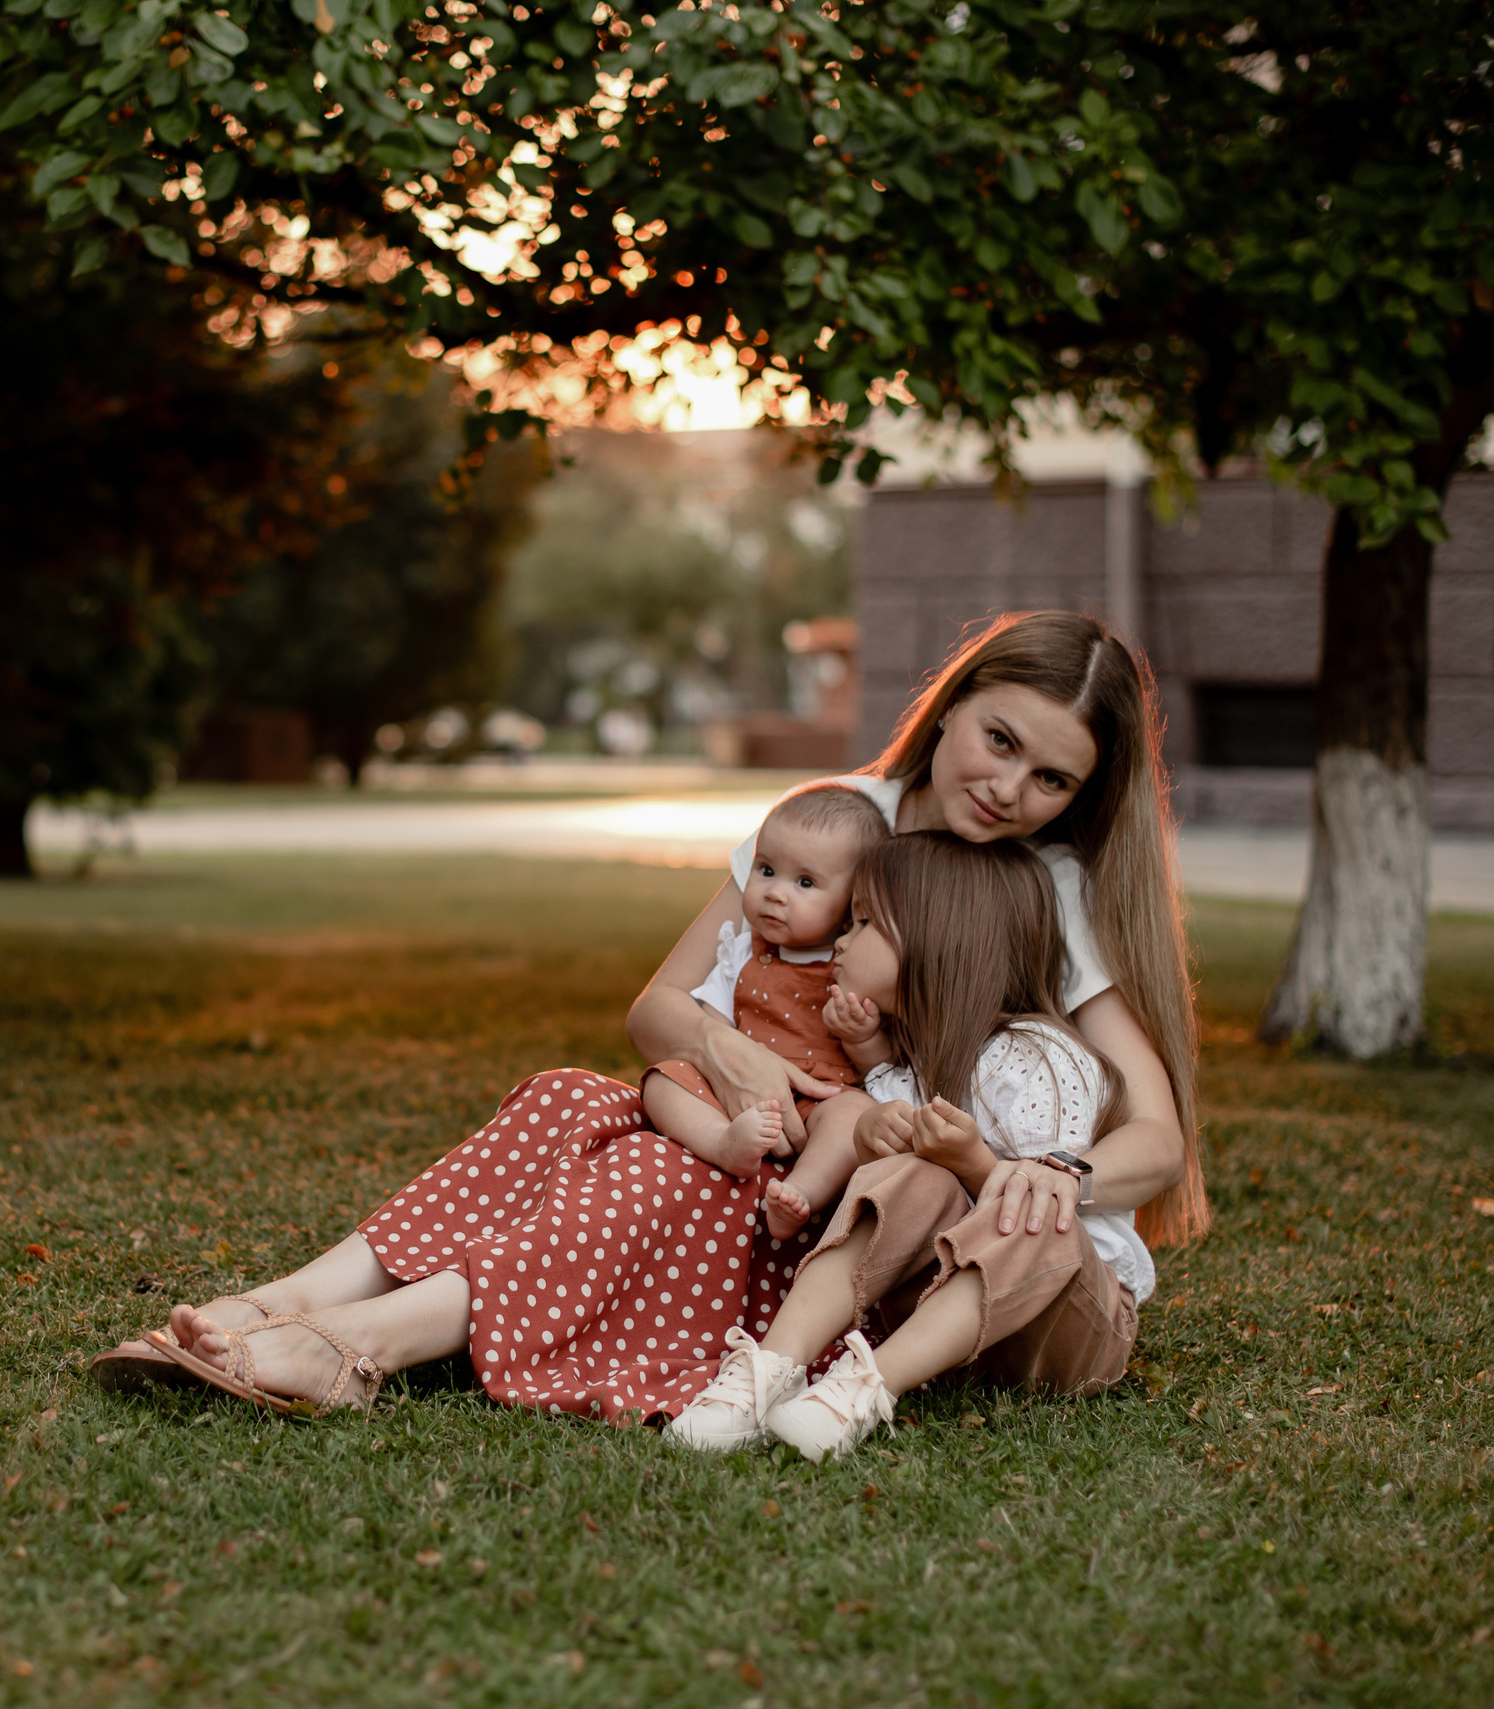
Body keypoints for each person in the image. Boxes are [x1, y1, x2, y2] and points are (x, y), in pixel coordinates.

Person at [90, 610, 1208, 1420]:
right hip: (748, 1127)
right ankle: (269, 1301)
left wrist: (1056, 1171)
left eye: (1052, 779)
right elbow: (657, 1006)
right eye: (999, 739)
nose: (1010, 789)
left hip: (865, 1206)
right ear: (951, 703)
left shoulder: (1040, 886)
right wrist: (723, 1048)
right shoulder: (834, 822)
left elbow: (1154, 1134)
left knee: (675, 1173)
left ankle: (360, 1346)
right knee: (568, 1097)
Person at [667, 830, 1148, 1459]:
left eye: (864, 923)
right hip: (953, 1334)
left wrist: (974, 1161)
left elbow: (1048, 1199)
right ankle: (767, 1373)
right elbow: (904, 1180)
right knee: (915, 1177)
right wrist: (876, 1124)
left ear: (939, 939)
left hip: (1068, 1322)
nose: (839, 940)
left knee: (1031, 1208)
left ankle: (862, 1389)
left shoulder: (1037, 1058)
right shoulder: (909, 1068)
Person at [641, 782, 891, 1242]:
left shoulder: (852, 961)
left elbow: (882, 1064)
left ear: (851, 905)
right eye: (767, 869)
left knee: (855, 1114)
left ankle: (799, 1192)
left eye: (805, 883)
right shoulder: (740, 952)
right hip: (736, 1095)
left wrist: (862, 1035)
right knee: (664, 1077)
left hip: (820, 1099)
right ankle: (721, 1143)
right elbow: (710, 1019)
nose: (776, 893)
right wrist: (717, 1068)